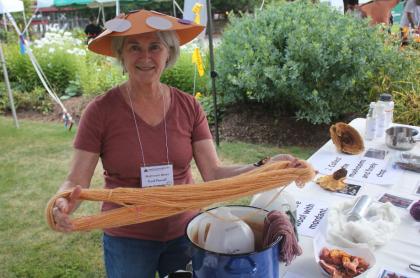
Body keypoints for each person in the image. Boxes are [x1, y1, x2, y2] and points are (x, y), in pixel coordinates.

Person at [50, 10, 302, 278]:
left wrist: (266, 167)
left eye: (155, 47)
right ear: (121, 55)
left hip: (185, 231)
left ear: (168, 53)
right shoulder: (100, 112)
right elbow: (76, 180)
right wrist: (63, 204)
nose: (145, 57)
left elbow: (214, 173)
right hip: (128, 238)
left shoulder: (188, 106)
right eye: (134, 47)